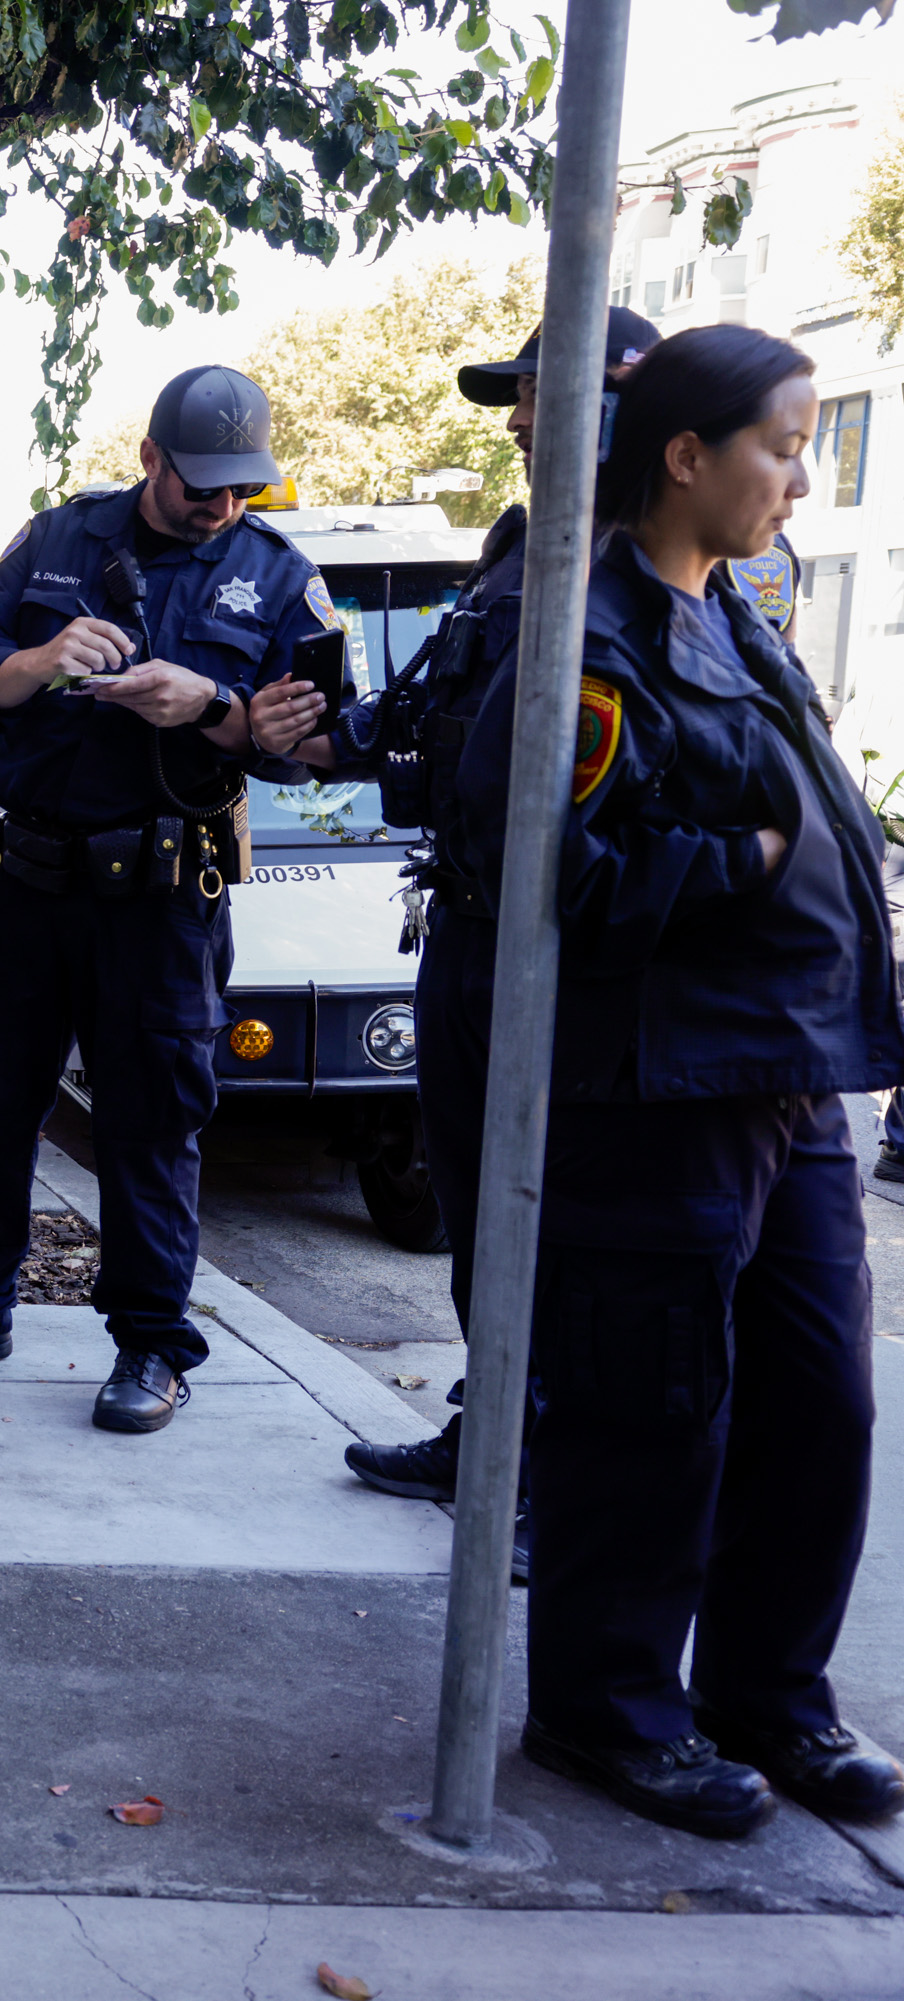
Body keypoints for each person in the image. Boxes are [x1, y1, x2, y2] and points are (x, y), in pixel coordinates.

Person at [454, 323, 903, 1837]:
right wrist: (743, 865)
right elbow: (537, 867)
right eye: (783, 442)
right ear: (689, 456)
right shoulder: (585, 630)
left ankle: (770, 1700)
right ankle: (609, 1710)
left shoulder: (749, 620)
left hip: (788, 1078)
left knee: (820, 1407)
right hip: (659, 1090)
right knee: (654, 1418)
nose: (797, 471)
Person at [0, 366, 328, 1433]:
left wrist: (212, 706)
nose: (220, 506)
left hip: (163, 897)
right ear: (152, 458)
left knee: (153, 1124)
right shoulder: (62, 539)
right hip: (30, 881)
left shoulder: (274, 574)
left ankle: (153, 1347)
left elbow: (311, 740)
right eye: (201, 484)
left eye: (239, 487)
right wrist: (38, 658)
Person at [273, 310, 655, 1555]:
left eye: (541, 397)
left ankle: (554, 1477)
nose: (517, 419)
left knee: (570, 1223)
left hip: (579, 955)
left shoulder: (661, 554)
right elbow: (426, 723)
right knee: (479, 1202)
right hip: (473, 933)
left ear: (625, 400)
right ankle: (489, 1434)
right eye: (517, 398)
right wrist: (304, 731)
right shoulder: (516, 550)